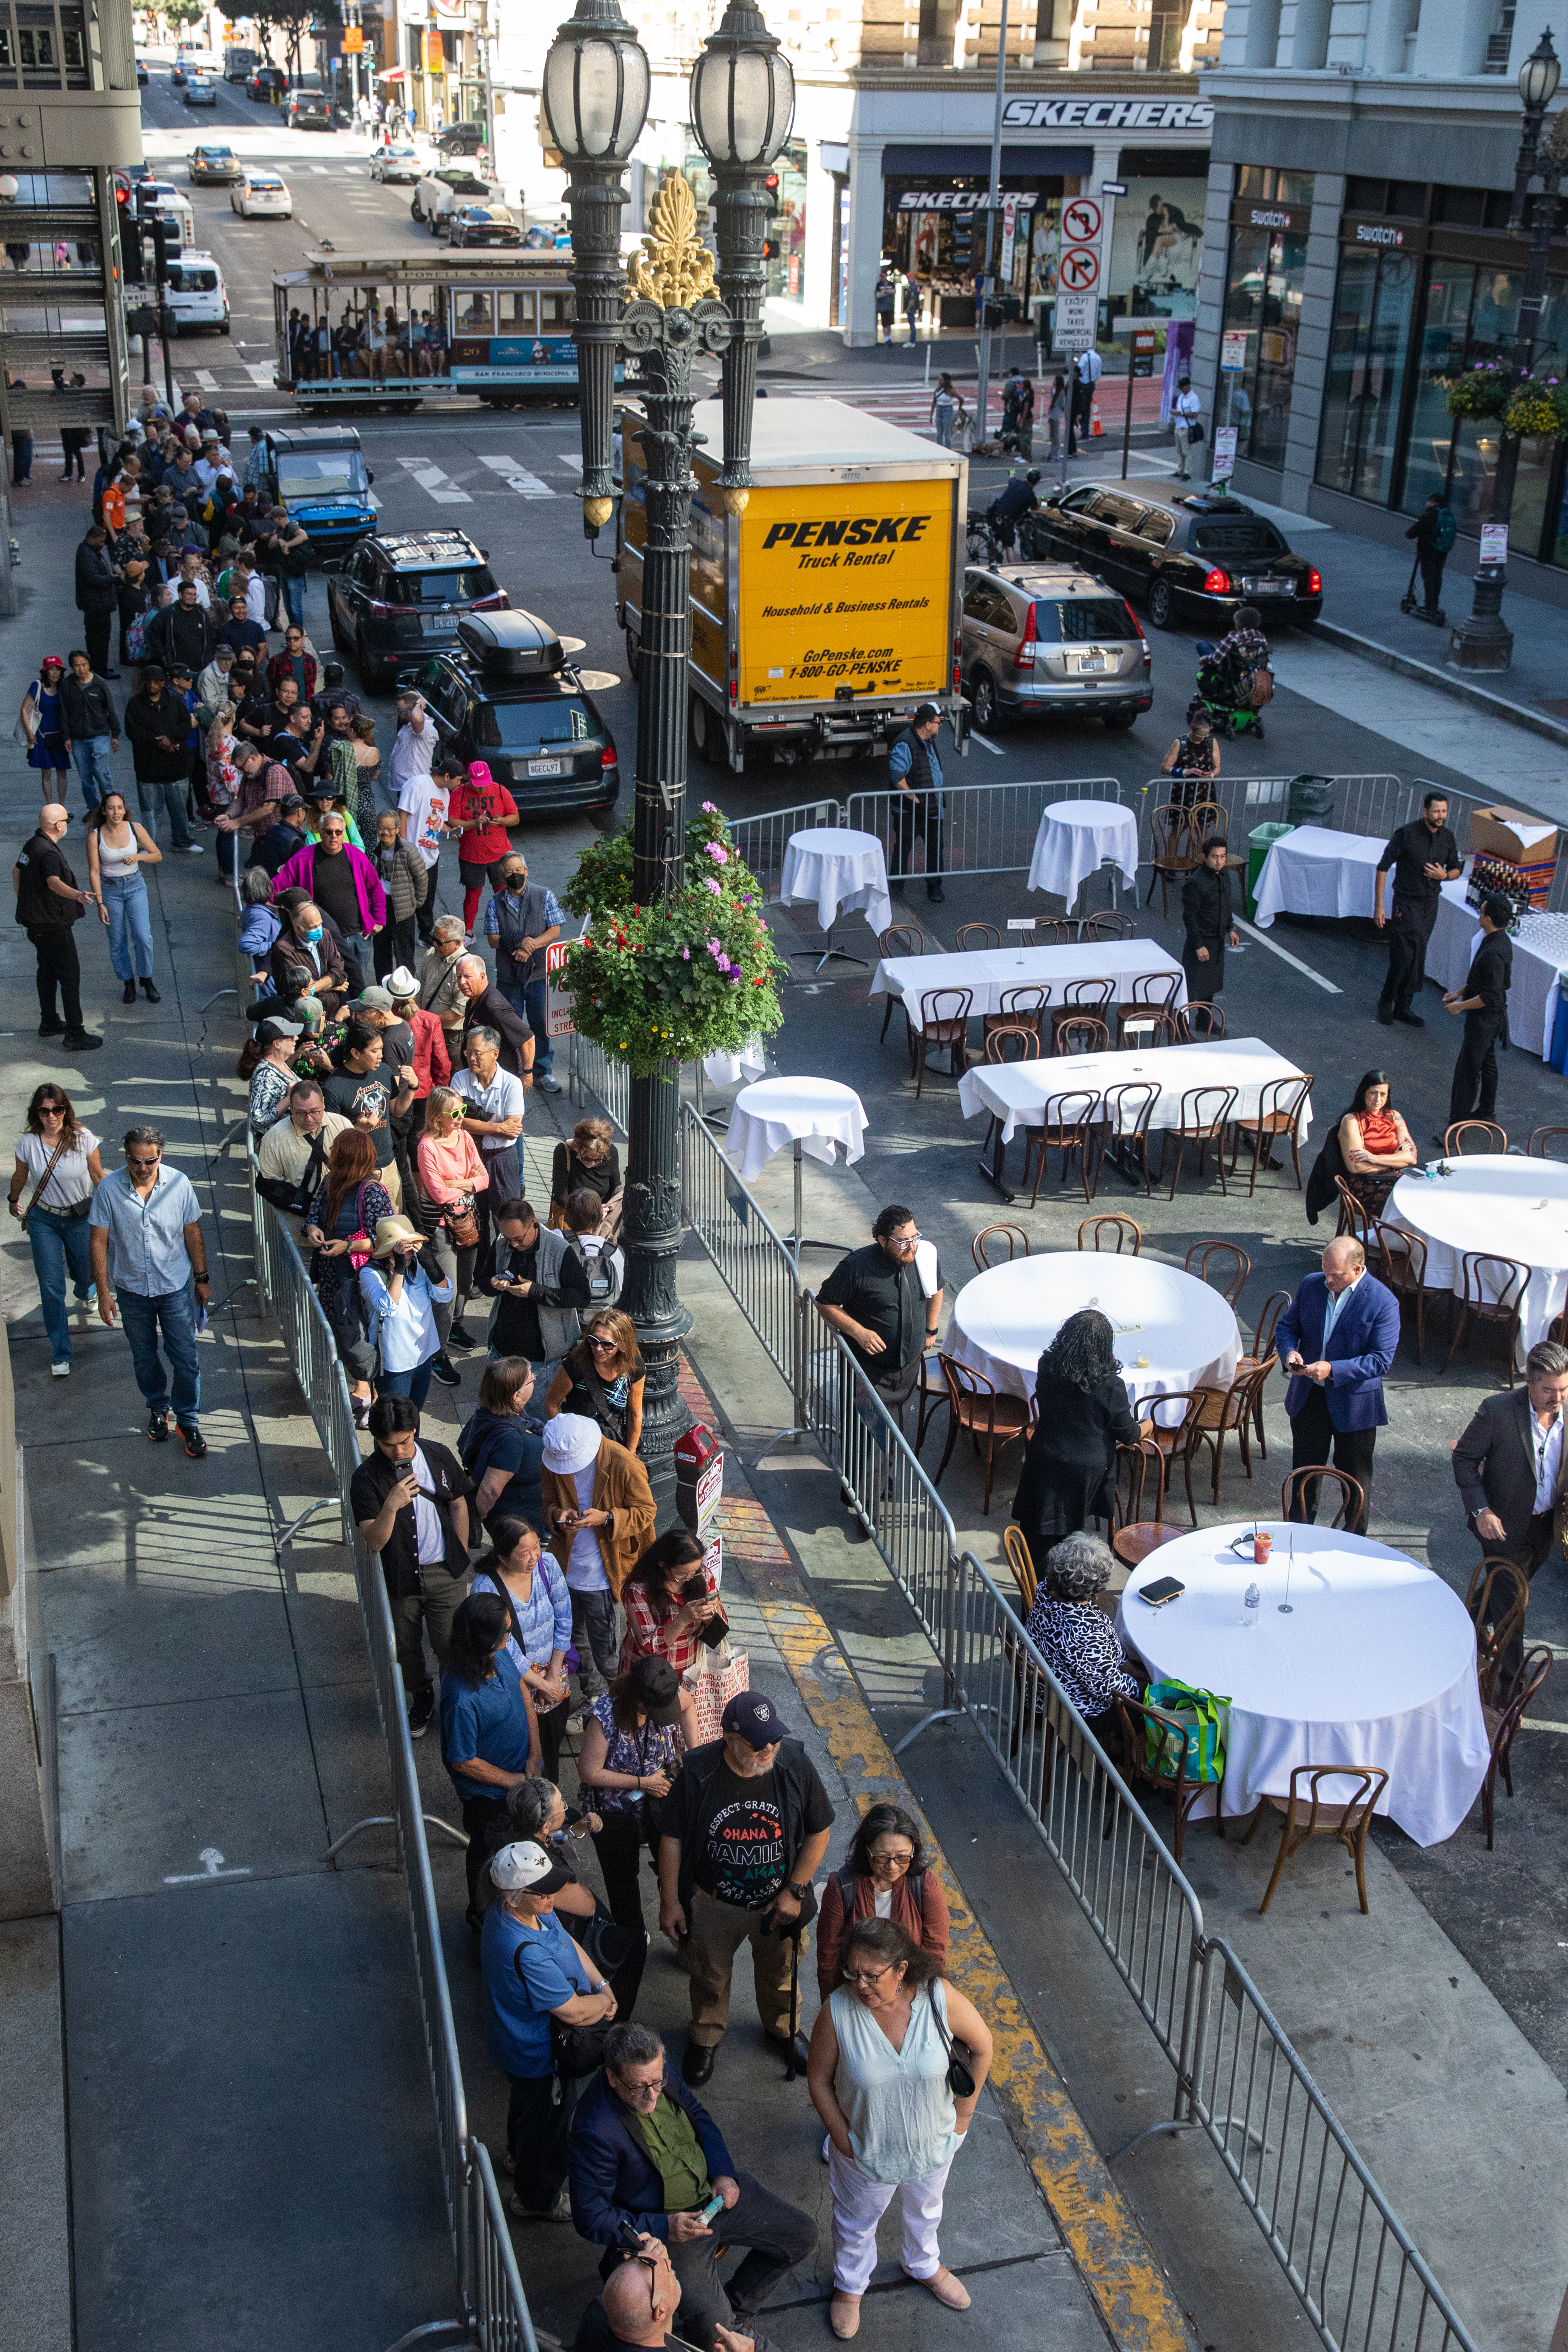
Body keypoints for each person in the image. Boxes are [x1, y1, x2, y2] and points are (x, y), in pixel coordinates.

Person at [569, 2021, 819, 2344]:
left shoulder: (655, 2070)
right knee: (713, 2330)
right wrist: (662, 2227)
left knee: (801, 2235)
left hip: (713, 2194)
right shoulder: (594, 2129)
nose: (652, 2096)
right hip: (668, 2228)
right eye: (638, 2087)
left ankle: (737, 2313)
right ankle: (726, 2326)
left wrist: (723, 2173)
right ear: (612, 2077)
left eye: (657, 2082)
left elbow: (699, 2115)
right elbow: (591, 2218)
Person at [806, 1918, 993, 2338]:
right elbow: (818, 2079)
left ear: (901, 1969)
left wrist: (962, 2117)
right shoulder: (837, 2009)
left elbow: (982, 2046)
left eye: (872, 1975)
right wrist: (842, 2137)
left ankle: (923, 2262)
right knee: (855, 2223)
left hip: (934, 2144)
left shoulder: (938, 1997)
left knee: (926, 2210)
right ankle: (850, 2285)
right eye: (853, 1972)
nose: (861, 1984)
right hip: (865, 2151)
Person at [658, 1689, 835, 2087]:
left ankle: (783, 2031)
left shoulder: (793, 1762)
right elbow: (671, 1838)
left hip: (778, 1904)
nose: (769, 1749)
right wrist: (670, 1901)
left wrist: (794, 1890)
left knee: (782, 1973)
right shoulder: (698, 1772)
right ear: (729, 1738)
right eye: (757, 1744)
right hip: (714, 1903)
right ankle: (705, 2037)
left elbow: (819, 1829)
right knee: (709, 1974)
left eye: (773, 1739)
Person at [481, 1836, 614, 2222]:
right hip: (539, 2054)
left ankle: (515, 2156)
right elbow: (572, 2013)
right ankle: (536, 2199)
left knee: (527, 2107)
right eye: (543, 1892)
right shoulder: (525, 1950)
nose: (552, 1897)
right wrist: (604, 2004)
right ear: (513, 1895)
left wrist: (601, 1984)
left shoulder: (528, 1911)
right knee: (549, 2130)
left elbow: (566, 1940)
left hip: (516, 2047)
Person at [351, 1392, 473, 1738]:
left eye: (405, 1442)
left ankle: (455, 1704)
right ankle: (422, 1695)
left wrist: (459, 1556)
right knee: (405, 1648)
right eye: (389, 1445)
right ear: (376, 1440)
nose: (399, 1452)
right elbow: (373, 1541)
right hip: (401, 1577)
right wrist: (391, 1506)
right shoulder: (366, 1479)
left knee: (452, 1645)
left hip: (444, 1572)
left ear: (415, 1430)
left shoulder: (437, 1455)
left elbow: (459, 1504)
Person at [816, 1208, 943, 1535]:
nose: (911, 1247)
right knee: (869, 1440)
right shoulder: (856, 1267)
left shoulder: (924, 1256)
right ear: (881, 1239)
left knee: (894, 1434)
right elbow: (825, 1303)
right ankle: (865, 1510)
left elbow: (937, 1289)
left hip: (906, 1368)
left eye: (914, 1238)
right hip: (867, 1372)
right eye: (902, 1242)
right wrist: (859, 1332)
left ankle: (876, 1486)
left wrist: (930, 1331)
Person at [88, 1125, 210, 1457]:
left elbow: (193, 1232)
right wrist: (103, 1293)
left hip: (174, 1288)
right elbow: (98, 1241)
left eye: (150, 1161)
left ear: (161, 1155)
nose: (142, 1168)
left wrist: (202, 1279)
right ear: (126, 1156)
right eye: (135, 1161)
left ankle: (188, 1419)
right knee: (144, 1357)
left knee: (185, 1357)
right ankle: (158, 1408)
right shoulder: (109, 1189)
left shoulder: (180, 1184)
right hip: (132, 1290)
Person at [1276, 1236, 1400, 1536]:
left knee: (1354, 1483)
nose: (1328, 1280)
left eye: (1337, 1275)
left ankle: (1354, 1544)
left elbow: (1380, 1361)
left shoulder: (1383, 1302)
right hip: (1309, 1399)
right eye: (1325, 1271)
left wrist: (1332, 1369)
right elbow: (1287, 1327)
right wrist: (1289, 1351)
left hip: (1354, 1406)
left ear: (1358, 1270)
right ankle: (1298, 1536)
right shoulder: (1311, 1284)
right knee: (1304, 1475)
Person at [442, 1600, 545, 1932]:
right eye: (505, 1629)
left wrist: (534, 1755)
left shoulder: (498, 1655)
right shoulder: (461, 1698)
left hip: (523, 1777)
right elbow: (464, 1761)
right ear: (485, 1638)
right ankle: (483, 1925)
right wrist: (513, 1780)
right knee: (489, 1864)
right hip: (488, 1800)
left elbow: (522, 1691)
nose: (510, 1631)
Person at [1011, 1308, 1146, 1559]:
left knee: (1035, 1537)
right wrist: (1148, 1424)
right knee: (1071, 1543)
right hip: (1084, 1471)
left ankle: (1033, 1593)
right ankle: (1063, 1592)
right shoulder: (1110, 1385)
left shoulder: (1047, 1366)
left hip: (1045, 1458)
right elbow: (1129, 1434)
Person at [542, 1412, 656, 1700]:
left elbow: (646, 1512)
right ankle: (594, 1697)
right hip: (567, 1569)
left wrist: (606, 1518)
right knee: (573, 1641)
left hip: (605, 1575)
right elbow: (548, 1502)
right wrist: (558, 1515)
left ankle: (622, 1703)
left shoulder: (624, 1463)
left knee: (608, 1652)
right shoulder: (552, 1461)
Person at [578, 1665, 692, 1935]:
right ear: (640, 1703)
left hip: (659, 1802)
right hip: (614, 1811)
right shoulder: (606, 1715)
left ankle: (681, 1929)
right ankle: (632, 1939)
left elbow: (688, 1706)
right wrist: (643, 1783)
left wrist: (691, 1754)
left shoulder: (667, 1695)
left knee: (673, 1867)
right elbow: (589, 1771)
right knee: (623, 1882)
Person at [1453, 1340, 1568, 1590]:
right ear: (1529, 1381)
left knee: (1508, 1590)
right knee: (1514, 1598)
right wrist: (1481, 1511)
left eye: (1564, 1389)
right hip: (1503, 1526)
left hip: (1548, 1526)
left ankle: (1471, 1620)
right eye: (1549, 1390)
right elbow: (1464, 1458)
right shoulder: (1497, 1411)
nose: (1558, 1399)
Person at [8, 1084, 105, 1377]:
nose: (52, 1116)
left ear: (66, 1110)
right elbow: (21, 1176)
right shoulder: (28, 1144)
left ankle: (86, 1289)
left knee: (87, 1270)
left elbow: (98, 1176)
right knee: (51, 1287)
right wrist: (14, 1201)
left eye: (57, 1110)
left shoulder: (83, 1138)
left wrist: (118, 1208)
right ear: (36, 1113)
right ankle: (61, 1352)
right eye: (45, 1111)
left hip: (79, 1218)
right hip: (44, 1221)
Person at [468, 1505, 572, 1772]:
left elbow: (564, 1619)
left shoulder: (547, 1566)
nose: (534, 1557)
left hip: (554, 1671)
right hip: (516, 1680)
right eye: (524, 1553)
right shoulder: (486, 1587)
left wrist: (552, 1677)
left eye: (536, 1547)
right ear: (502, 1557)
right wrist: (540, 1684)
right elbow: (504, 1648)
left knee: (552, 1742)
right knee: (524, 1751)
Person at [815, 1804, 950, 2005]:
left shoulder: (924, 1885)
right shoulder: (842, 1887)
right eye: (882, 1858)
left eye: (903, 1857)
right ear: (866, 1851)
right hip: (858, 1995)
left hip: (909, 1996)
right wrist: (831, 2005)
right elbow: (829, 1956)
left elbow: (934, 1954)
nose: (893, 1866)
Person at [1021, 1532, 1141, 1747]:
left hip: (1046, 1688)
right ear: (1096, 1585)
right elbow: (1110, 1689)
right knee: (1145, 1710)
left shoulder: (1045, 1591)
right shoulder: (1083, 1632)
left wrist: (1125, 1663)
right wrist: (1145, 1689)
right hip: (1073, 1711)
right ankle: (1124, 1761)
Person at [304, 1127, 391, 1420]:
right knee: (340, 1332)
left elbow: (385, 1240)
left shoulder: (372, 1191)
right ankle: (363, 1390)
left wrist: (349, 1245)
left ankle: (368, 1396)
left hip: (359, 1278)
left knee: (358, 1337)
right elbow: (313, 1216)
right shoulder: (330, 1183)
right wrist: (314, 1230)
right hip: (332, 1275)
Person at [13, 803, 102, 1053]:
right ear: (59, 826)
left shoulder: (33, 844)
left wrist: (27, 903)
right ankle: (75, 1033)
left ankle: (49, 1021)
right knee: (70, 976)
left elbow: (16, 872)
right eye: (67, 820)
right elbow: (53, 882)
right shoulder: (49, 853)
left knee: (48, 970)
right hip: (53, 925)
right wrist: (77, 895)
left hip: (36, 924)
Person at [481, 1195, 593, 1387]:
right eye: (508, 1239)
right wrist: (493, 1284)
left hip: (542, 1358)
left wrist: (535, 1291)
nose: (514, 1245)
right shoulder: (502, 1243)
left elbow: (582, 1296)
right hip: (502, 1348)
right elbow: (483, 1281)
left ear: (534, 1223)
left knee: (537, 1414)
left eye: (518, 1239)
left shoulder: (560, 1250)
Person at [1374, 791, 1462, 1028]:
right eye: (1436, 811)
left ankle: (1404, 1006)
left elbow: (1456, 870)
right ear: (1425, 811)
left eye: (1444, 811)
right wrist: (1379, 907)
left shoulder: (1448, 838)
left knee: (1417, 956)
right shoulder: (1407, 834)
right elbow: (1382, 867)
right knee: (1403, 957)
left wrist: (1444, 876)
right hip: (1405, 902)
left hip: (1429, 905)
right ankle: (1386, 1002)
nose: (1441, 816)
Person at [416, 1085, 489, 1358]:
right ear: (438, 1119)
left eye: (463, 1111)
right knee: (447, 1289)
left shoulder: (465, 1137)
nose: (461, 1118)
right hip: (440, 1225)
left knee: (466, 1282)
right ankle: (438, 1353)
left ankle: (456, 1326)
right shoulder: (427, 1147)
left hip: (467, 1220)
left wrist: (458, 1183)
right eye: (455, 1113)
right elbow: (437, 1193)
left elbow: (484, 1180)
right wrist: (469, 1186)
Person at [485, 851, 565, 1094]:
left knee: (540, 1024)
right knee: (509, 1025)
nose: (515, 875)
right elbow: (492, 940)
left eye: (518, 870)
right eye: (509, 872)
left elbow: (555, 930)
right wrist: (520, 941)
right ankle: (510, 1072)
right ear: (502, 876)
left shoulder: (544, 895)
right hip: (509, 978)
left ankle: (542, 1071)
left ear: (526, 871)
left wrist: (531, 945)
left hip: (539, 975)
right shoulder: (495, 902)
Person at [358, 1213, 453, 1407]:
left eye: (412, 1247)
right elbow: (388, 1308)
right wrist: (399, 1269)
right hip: (395, 1363)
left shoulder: (419, 1267)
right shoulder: (370, 1274)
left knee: (415, 1414)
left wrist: (430, 1262)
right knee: (394, 1422)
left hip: (423, 1355)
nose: (410, 1253)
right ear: (389, 1251)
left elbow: (445, 1295)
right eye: (404, 1249)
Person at [274, 807, 387, 962]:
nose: (334, 836)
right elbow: (278, 885)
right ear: (321, 833)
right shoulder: (304, 858)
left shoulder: (356, 856)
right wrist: (260, 906)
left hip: (358, 936)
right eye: (329, 832)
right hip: (323, 939)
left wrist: (379, 919)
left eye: (339, 832)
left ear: (343, 834)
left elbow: (375, 887)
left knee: (357, 985)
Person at [1443, 893, 1514, 1136]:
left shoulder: (1494, 952)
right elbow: (1482, 982)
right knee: (1488, 1063)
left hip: (1484, 1021)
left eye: (1483, 912)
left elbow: (1489, 997)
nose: (1480, 914)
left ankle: (1457, 1127)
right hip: (1492, 1019)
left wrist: (1460, 1006)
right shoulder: (1498, 940)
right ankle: (1486, 1111)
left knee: (1467, 1071)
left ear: (1489, 918)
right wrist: (1460, 993)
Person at [453, 1026, 527, 1256]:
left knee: (507, 1216)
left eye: (477, 1053)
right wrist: (497, 1127)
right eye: (468, 1053)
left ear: (495, 1054)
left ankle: (511, 1263)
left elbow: (513, 1131)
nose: (471, 1058)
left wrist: (476, 1126)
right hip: (470, 1158)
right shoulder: (460, 1079)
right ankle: (481, 1271)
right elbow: (457, 1122)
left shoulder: (512, 1083)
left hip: (502, 1159)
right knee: (476, 1216)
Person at [619, 1528, 723, 1683]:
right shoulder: (638, 1589)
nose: (689, 1578)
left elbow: (720, 1630)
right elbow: (648, 1647)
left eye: (695, 1571)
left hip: (689, 1668)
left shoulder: (703, 1576)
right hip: (647, 1674)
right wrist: (683, 1619)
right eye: (681, 1574)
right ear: (663, 1565)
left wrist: (714, 1612)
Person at [462, 1357, 547, 1529]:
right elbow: (490, 1490)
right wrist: (478, 1519)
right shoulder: (511, 1440)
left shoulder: (487, 1410)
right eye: (531, 1378)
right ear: (517, 1395)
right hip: (517, 1522)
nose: (534, 1378)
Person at [548, 1308, 644, 1454]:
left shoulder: (634, 1365)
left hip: (614, 1445)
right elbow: (551, 1404)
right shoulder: (576, 1364)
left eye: (607, 1344)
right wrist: (566, 1440)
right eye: (594, 1340)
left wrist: (630, 1454)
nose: (598, 1349)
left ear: (623, 1344)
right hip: (580, 1446)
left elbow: (635, 1414)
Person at [125, 665, 199, 851]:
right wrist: (158, 741)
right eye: (149, 682)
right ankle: (149, 846)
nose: (152, 685)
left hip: (176, 767)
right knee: (150, 813)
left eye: (156, 682)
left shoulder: (175, 701)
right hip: (148, 770)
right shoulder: (135, 704)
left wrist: (171, 738)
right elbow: (133, 732)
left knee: (180, 810)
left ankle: (182, 842)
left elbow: (186, 725)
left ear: (163, 683)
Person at [255, 1078, 349, 1215]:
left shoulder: (342, 1125)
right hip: (296, 1218)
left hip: (338, 1213)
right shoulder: (274, 1138)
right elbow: (269, 1185)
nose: (309, 1119)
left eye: (315, 1112)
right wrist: (304, 1203)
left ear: (323, 1103)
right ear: (291, 1108)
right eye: (301, 1113)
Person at [1334, 1069, 1417, 1222]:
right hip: (1364, 1183)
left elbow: (1412, 1158)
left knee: (1420, 1197)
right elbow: (1356, 1167)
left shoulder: (1394, 1116)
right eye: (1373, 1093)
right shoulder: (1352, 1120)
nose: (1378, 1099)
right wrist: (1397, 1160)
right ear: (1363, 1093)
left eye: (1383, 1094)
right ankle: (1387, 1242)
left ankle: (1404, 1243)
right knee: (1402, 1205)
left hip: (1392, 1178)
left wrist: (1372, 1158)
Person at [450, 757, 520, 937]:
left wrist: (501, 821)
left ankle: (509, 928)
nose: (482, 788)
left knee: (505, 893)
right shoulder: (460, 794)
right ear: (469, 779)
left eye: (484, 784)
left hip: (500, 854)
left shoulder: (500, 790)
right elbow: (452, 821)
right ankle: (469, 933)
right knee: (472, 896)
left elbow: (515, 817)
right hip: (471, 856)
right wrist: (474, 822)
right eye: (477, 784)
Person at [397, 728, 451, 947]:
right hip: (412, 853)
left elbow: (440, 822)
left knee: (428, 897)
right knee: (409, 898)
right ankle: (404, 936)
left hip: (431, 854)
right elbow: (403, 815)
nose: (459, 785)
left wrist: (451, 832)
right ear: (446, 776)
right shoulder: (418, 784)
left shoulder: (445, 793)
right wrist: (402, 848)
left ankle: (425, 933)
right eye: (457, 780)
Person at [886, 705, 945, 904]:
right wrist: (915, 799)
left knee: (936, 848)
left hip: (931, 808)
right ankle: (895, 888)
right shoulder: (906, 744)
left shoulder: (928, 741)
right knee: (903, 848)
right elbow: (897, 777)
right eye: (939, 722)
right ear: (928, 725)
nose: (940, 726)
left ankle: (935, 887)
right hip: (909, 811)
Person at [369, 808, 428, 980]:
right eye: (381, 828)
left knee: (405, 954)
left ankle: (407, 993)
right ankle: (384, 990)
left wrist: (417, 903)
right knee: (381, 952)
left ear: (397, 829)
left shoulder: (408, 851)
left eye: (390, 828)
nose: (385, 832)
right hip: (381, 906)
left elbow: (422, 878)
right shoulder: (375, 850)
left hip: (403, 910)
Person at [1181, 834, 1240, 1006]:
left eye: (1223, 857)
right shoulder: (1195, 883)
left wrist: (1231, 929)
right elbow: (1189, 918)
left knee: (1211, 985)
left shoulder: (1224, 876)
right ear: (1205, 857)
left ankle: (1204, 1021)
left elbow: (1226, 904)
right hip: (1201, 940)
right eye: (1214, 857)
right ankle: (1181, 1025)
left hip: (1218, 940)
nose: (1219, 861)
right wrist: (1199, 946)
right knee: (1192, 986)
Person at [456, 953, 536, 1080]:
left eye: (467, 977)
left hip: (498, 1081)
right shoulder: (473, 1000)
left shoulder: (495, 1008)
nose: (462, 982)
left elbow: (527, 1039)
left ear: (482, 977)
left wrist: (527, 1073)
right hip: (479, 1077)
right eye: (459, 977)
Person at [61, 649, 121, 814]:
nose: (81, 669)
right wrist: (67, 737)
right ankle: (93, 808)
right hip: (78, 737)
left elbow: (111, 709)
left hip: (100, 734)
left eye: (84, 665)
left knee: (102, 772)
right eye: (77, 666)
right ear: (72, 667)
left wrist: (115, 735)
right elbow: (64, 713)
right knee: (86, 777)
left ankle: (109, 805)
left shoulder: (100, 683)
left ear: (89, 664)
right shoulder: (67, 685)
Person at [551, 1117, 621, 1234]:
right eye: (586, 1158)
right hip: (573, 1218)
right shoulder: (563, 1151)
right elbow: (561, 1195)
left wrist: (606, 1208)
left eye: (598, 1160)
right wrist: (592, 1212)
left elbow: (616, 1186)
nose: (592, 1163)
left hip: (602, 1218)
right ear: (578, 1145)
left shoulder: (611, 1152)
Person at [246, 1017, 303, 1139]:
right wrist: (289, 1099)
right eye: (291, 1037)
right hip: (280, 1142)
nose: (296, 1038)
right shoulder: (266, 1076)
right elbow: (259, 1119)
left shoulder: (280, 1063)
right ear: (277, 1044)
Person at [21, 656, 70, 787]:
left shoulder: (64, 687)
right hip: (42, 735)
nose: (55, 673)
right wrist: (29, 732)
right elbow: (24, 709)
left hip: (60, 735)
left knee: (62, 773)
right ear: (45, 672)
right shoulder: (37, 686)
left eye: (58, 669)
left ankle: (62, 806)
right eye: (51, 670)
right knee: (46, 773)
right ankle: (49, 805)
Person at [1159, 699, 1220, 805]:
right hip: (1183, 794)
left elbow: (1218, 768)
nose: (1203, 738)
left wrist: (1211, 775)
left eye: (1206, 735)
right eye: (1200, 735)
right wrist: (1186, 772)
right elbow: (1165, 768)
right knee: (1182, 822)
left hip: (1206, 794)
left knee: (1203, 821)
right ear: (1192, 730)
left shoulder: (1212, 742)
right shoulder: (1180, 743)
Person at [1404, 492, 1453, 624]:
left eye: (1430, 501)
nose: (1428, 503)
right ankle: (1433, 605)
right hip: (1441, 552)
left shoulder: (1430, 515)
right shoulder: (1447, 514)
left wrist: (1410, 533)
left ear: (1435, 503)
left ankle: (1430, 606)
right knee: (1437, 577)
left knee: (1429, 578)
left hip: (1428, 551)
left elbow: (1413, 532)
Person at [1171, 374, 1202, 479]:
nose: (1181, 389)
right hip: (1179, 427)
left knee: (1187, 452)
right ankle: (1180, 470)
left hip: (1187, 428)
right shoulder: (1181, 397)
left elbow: (1195, 415)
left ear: (1188, 386)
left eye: (1182, 387)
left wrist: (1180, 414)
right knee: (1180, 452)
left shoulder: (1194, 398)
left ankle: (1188, 473)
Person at [929, 373, 962, 449]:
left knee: (947, 432)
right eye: (939, 379)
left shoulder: (951, 391)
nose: (939, 381)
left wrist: (960, 409)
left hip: (948, 410)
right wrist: (931, 415)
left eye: (941, 379)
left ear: (946, 381)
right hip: (939, 410)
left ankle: (948, 449)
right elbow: (934, 403)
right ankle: (940, 449)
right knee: (939, 432)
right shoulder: (937, 390)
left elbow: (961, 399)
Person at [1044, 372, 1068, 464]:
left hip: (1056, 415)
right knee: (1052, 436)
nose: (1053, 381)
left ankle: (1055, 454)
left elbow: (1063, 405)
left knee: (1056, 436)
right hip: (1053, 414)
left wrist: (1061, 411)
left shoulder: (1061, 392)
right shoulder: (1053, 390)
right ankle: (1053, 453)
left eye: (1055, 380)